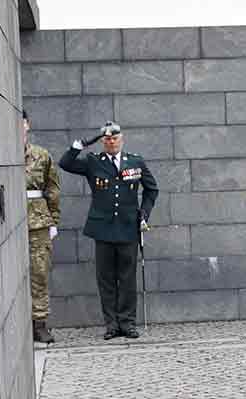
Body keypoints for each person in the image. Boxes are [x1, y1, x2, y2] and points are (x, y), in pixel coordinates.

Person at [59, 121, 158, 339]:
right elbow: (65, 163)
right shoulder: (94, 162)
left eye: (115, 138)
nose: (111, 142)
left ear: (122, 139)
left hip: (128, 228)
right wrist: (83, 144)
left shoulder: (135, 161)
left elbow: (152, 189)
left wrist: (144, 213)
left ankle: (128, 323)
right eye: (107, 139)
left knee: (127, 278)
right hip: (103, 229)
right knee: (106, 279)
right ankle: (111, 325)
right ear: (103, 142)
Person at [23, 111, 62, 344]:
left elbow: (53, 190)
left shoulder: (41, 155)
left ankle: (39, 323)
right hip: (8, 220)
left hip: (37, 222)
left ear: (27, 125)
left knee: (39, 272)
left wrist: (53, 221)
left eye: (22, 123)